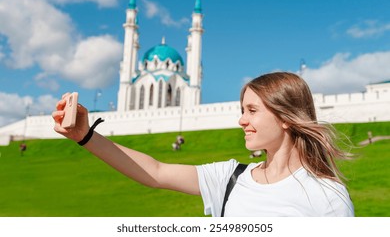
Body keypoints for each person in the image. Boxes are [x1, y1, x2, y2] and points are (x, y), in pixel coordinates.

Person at [52, 72, 354, 217]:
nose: (241, 120)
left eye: (252, 110)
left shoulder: (326, 196)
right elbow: (155, 172)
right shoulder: (231, 178)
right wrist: (85, 135)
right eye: (241, 110)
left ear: (286, 117)